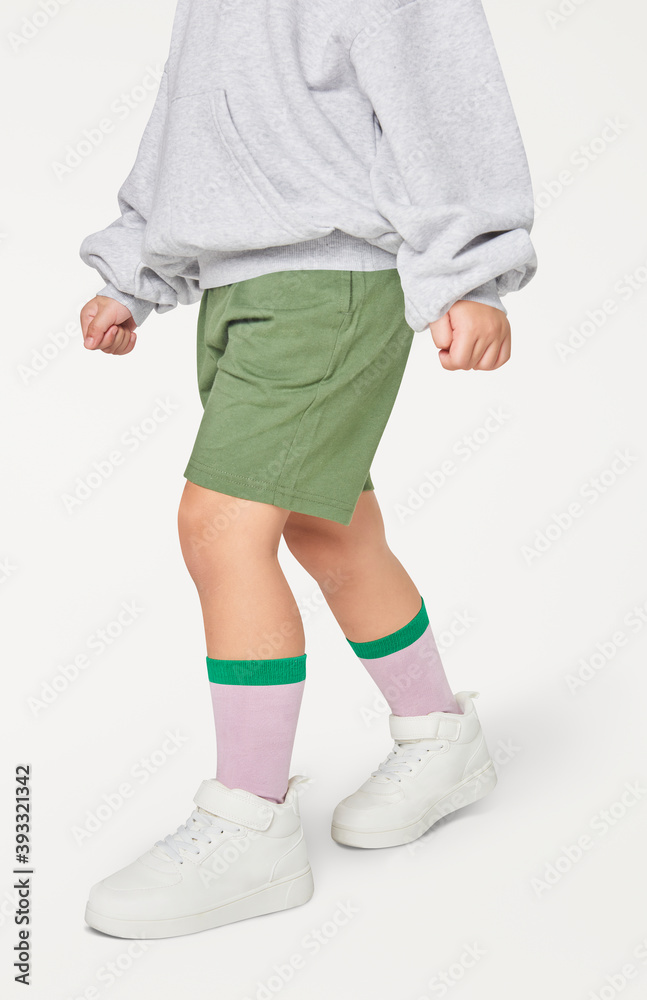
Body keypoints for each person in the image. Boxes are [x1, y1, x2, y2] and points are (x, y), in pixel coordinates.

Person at [78, 0, 537, 939]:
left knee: (218, 526)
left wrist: (469, 270)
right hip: (237, 282)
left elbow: (443, 96)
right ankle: (438, 736)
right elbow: (188, 119)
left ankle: (250, 822)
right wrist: (133, 267)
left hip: (331, 279)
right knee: (325, 524)